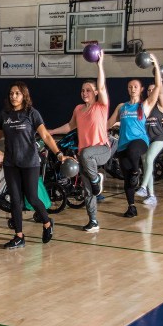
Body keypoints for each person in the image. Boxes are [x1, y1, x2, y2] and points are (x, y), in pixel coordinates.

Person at [0, 81, 67, 248]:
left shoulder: (32, 113)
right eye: (11, 94)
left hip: (30, 163)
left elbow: (46, 136)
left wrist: (58, 153)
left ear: (24, 96)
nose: (13, 96)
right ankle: (19, 236)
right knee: (15, 200)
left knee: (32, 198)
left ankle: (47, 223)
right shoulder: (4, 115)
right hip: (11, 164)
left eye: (17, 93)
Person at [48, 50, 110, 232]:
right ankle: (93, 222)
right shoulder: (78, 109)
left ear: (96, 92)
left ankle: (97, 178)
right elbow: (69, 126)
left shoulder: (101, 106)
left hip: (101, 150)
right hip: (85, 156)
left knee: (85, 155)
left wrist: (99, 65)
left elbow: (102, 86)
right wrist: (51, 131)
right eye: (83, 90)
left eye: (89, 90)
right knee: (88, 190)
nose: (85, 93)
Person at [107, 57, 163, 216]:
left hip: (140, 142)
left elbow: (158, 86)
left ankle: (136, 172)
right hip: (123, 145)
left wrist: (156, 65)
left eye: (136, 86)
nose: (133, 88)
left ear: (141, 89)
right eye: (130, 86)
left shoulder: (144, 105)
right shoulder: (121, 107)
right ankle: (131, 206)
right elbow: (109, 123)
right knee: (127, 180)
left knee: (133, 151)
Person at [135, 75, 163, 206]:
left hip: (158, 139)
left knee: (149, 160)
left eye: (153, 90)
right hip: (146, 140)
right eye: (148, 90)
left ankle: (143, 187)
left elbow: (161, 92)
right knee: (147, 165)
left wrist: (159, 80)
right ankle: (151, 195)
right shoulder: (143, 107)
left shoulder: (160, 106)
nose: (150, 92)